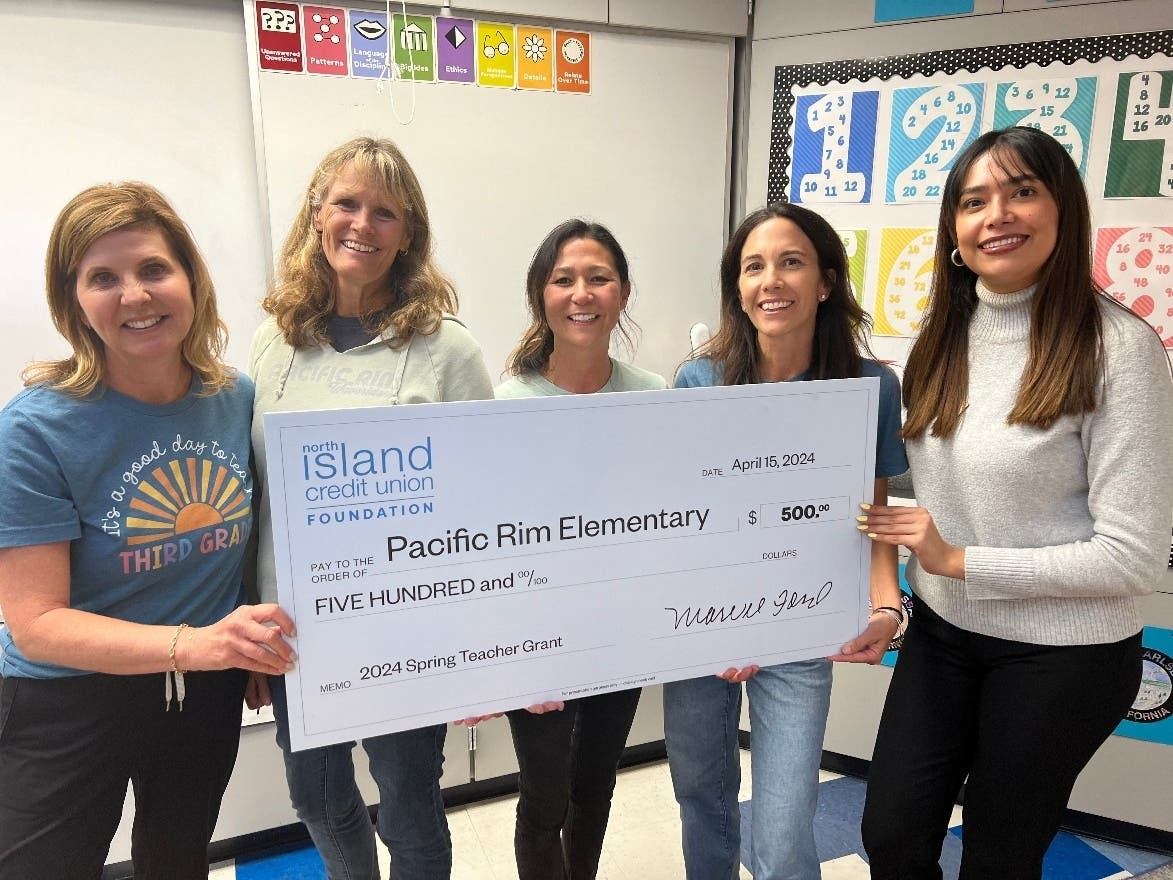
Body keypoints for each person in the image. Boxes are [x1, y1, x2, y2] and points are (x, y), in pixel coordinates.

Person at [857, 126, 1173, 878]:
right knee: (893, 835)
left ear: (1062, 210)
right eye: (974, 201)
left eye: (1021, 191)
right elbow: (925, 482)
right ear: (954, 232)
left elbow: (1131, 555)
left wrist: (957, 560)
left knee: (998, 856)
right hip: (944, 631)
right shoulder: (940, 334)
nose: (996, 214)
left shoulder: (1117, 348)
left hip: (1063, 654)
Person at [0, 182, 296, 878]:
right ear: (72, 300)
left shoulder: (235, 399)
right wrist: (201, 644)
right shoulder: (35, 429)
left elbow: (258, 532)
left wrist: (240, 641)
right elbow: (36, 621)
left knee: (177, 859)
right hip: (68, 694)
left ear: (190, 279)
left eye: (153, 270)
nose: (135, 296)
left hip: (203, 691)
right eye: (103, 278)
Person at [250, 136, 493, 880]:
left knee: (409, 805)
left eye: (384, 212)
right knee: (315, 797)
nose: (363, 224)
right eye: (347, 204)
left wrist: (483, 645)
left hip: (406, 625)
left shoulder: (447, 349)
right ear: (317, 216)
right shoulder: (273, 343)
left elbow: (486, 501)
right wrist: (249, 621)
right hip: (295, 630)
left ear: (409, 233)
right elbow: (253, 496)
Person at [665, 202, 909, 879]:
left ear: (825, 282)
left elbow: (874, 513)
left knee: (782, 821)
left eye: (790, 262)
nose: (770, 281)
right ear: (737, 289)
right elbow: (683, 521)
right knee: (700, 794)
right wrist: (718, 618)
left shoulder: (869, 385)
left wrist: (888, 606)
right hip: (700, 630)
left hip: (801, 628)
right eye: (753, 267)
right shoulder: (698, 381)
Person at [494, 219, 666, 879]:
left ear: (621, 293)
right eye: (563, 279)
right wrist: (510, 655)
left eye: (597, 278)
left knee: (595, 783)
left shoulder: (654, 396)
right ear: (541, 294)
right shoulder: (507, 402)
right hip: (536, 638)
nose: (581, 293)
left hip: (620, 632)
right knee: (544, 794)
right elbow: (494, 542)